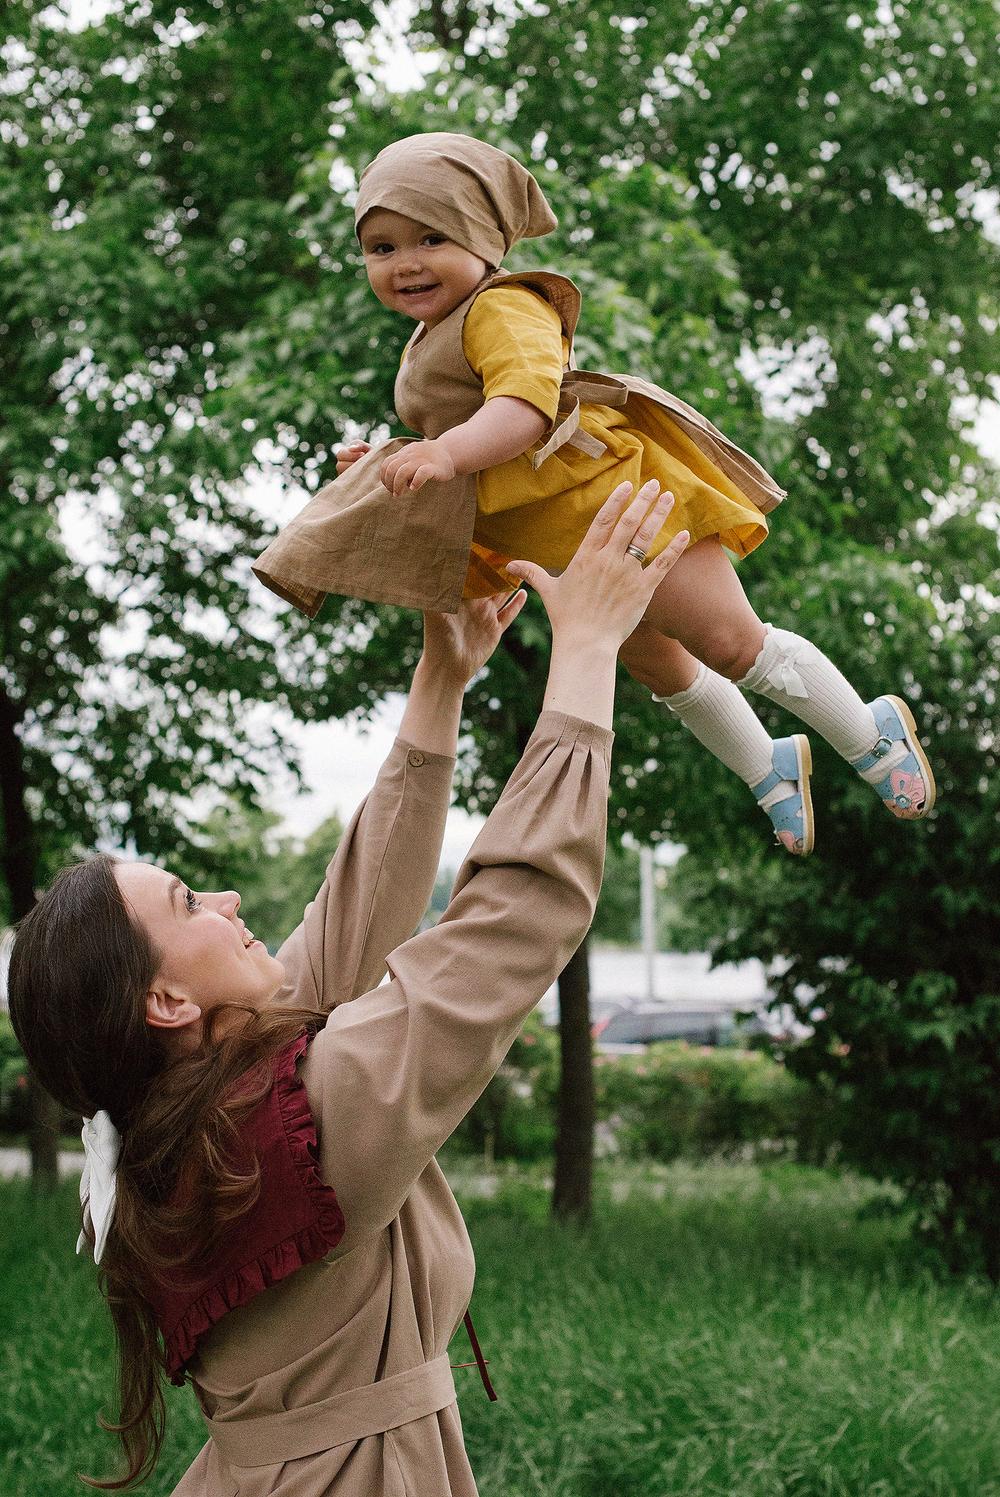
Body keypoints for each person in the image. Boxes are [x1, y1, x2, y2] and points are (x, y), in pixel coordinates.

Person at [9, 482, 685, 1496]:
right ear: (167, 1006)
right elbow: (513, 918)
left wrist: (441, 680)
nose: (229, 897)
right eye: (190, 902)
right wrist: (584, 652)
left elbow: (353, 915)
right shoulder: (302, 1117)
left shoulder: (190, 1117)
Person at [252, 132, 936, 856]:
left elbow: (522, 407)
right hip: (572, 549)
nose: (405, 262)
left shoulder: (502, 308)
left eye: (430, 237)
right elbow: (458, 431)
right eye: (381, 248)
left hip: (624, 509)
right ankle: (763, 762)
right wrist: (391, 461)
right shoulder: (428, 338)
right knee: (658, 667)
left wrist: (445, 453)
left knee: (732, 641)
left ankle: (870, 733)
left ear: (484, 237)